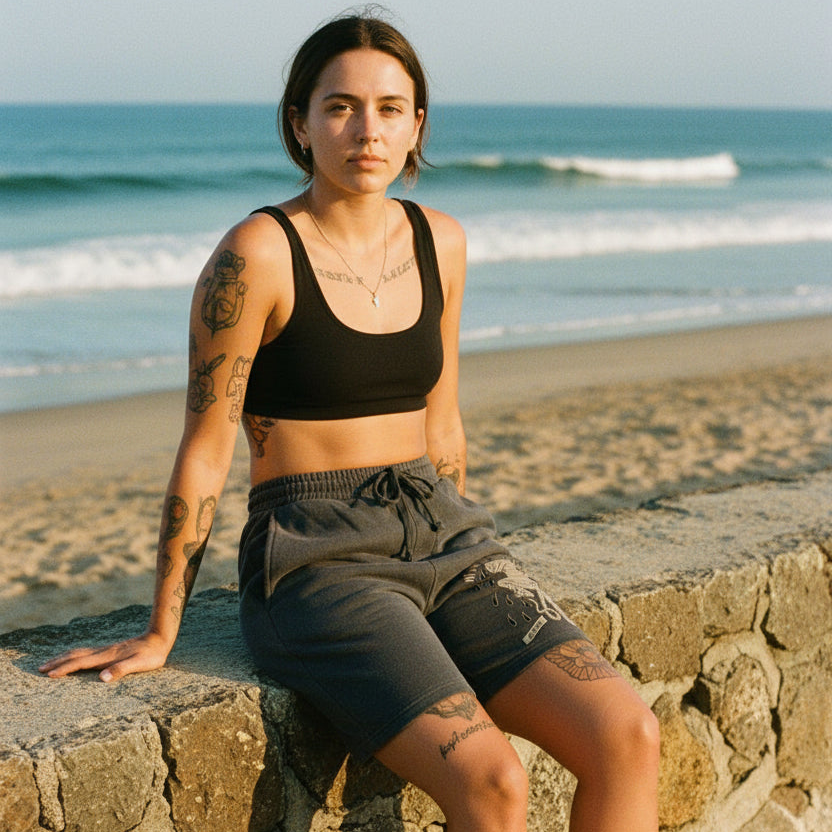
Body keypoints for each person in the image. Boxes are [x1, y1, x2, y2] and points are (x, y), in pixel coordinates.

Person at [40, 12, 660, 831]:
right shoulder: (256, 253)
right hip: (317, 558)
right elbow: (204, 449)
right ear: (300, 122)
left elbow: (445, 423)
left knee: (629, 734)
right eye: (340, 107)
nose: (367, 130)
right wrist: (163, 627)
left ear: (417, 126)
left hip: (446, 534)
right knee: (495, 782)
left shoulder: (442, 241)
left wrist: (466, 564)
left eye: (390, 109)